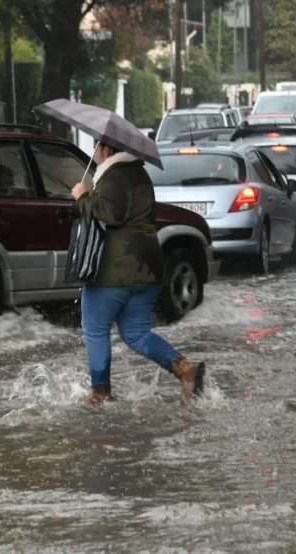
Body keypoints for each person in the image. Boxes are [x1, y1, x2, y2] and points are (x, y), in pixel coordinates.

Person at [70, 141, 205, 405]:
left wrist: (82, 197)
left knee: (95, 329)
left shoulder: (115, 174)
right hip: (148, 266)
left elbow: (112, 213)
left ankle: (100, 395)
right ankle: (185, 369)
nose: (94, 154)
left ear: (107, 151)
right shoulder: (139, 174)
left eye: (96, 148)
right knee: (135, 333)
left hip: (115, 269)